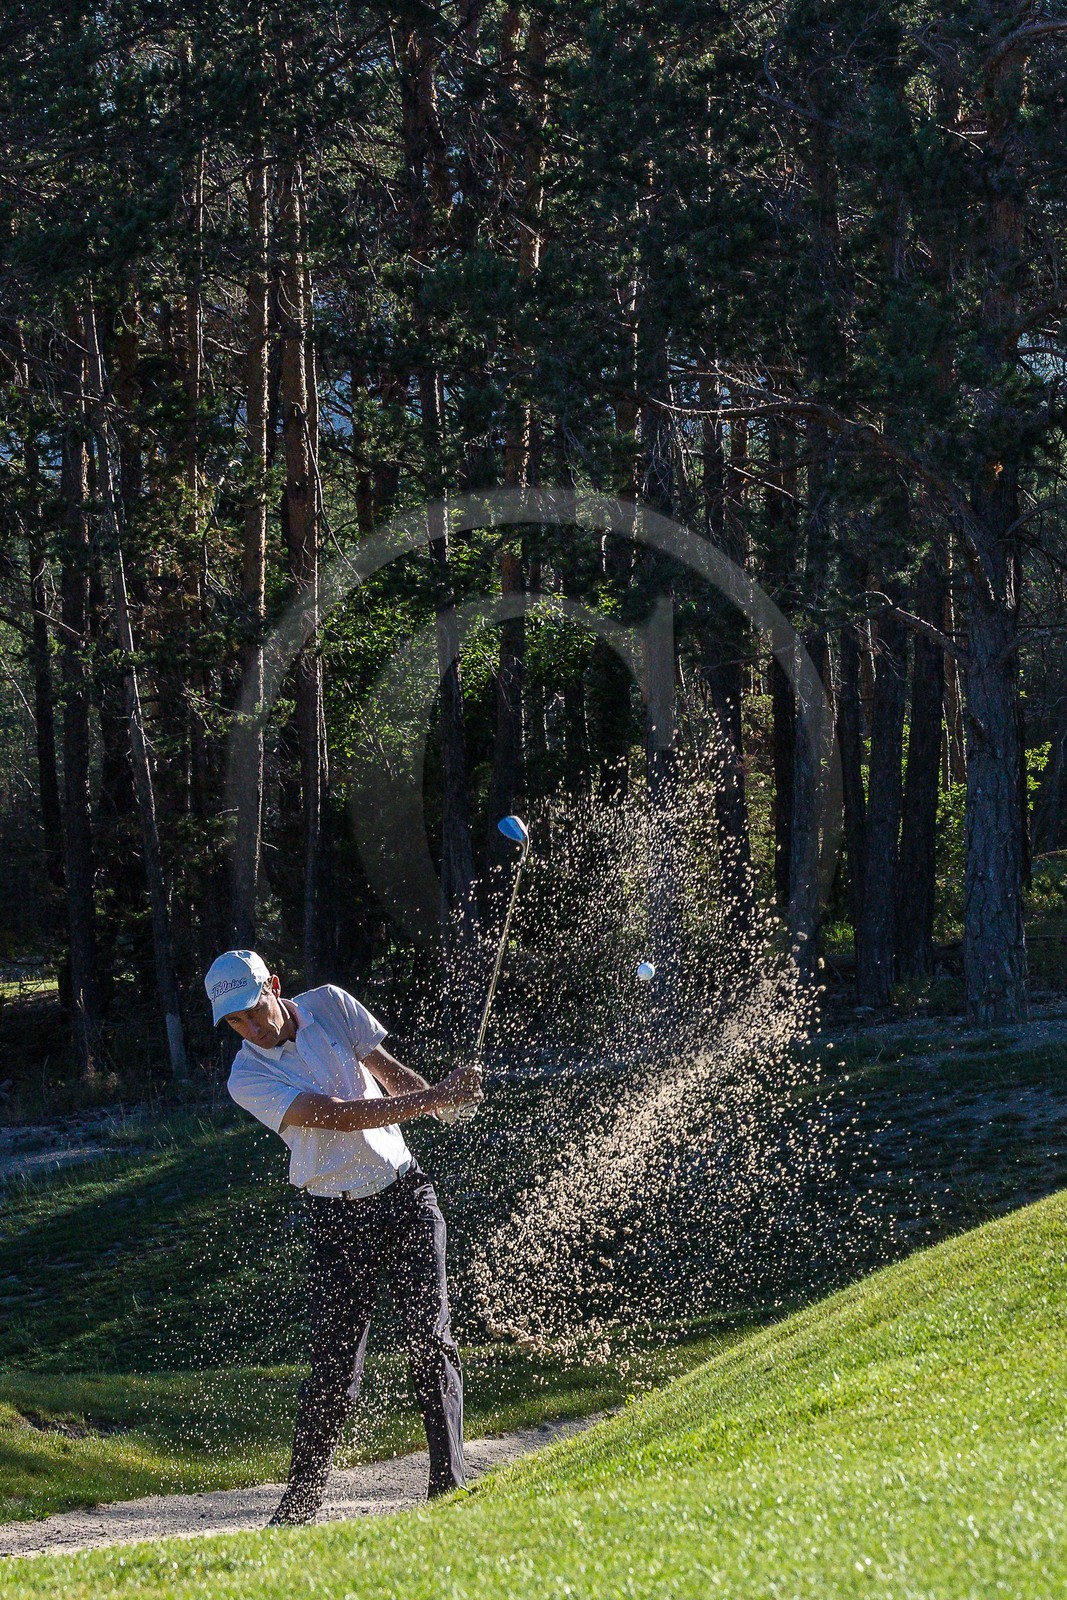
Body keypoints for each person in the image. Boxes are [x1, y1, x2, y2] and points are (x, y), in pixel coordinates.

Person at [203, 948, 483, 1525]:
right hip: (337, 1219)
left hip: (406, 1195)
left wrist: (444, 1103)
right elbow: (337, 1114)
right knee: (334, 1369)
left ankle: (447, 1486)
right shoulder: (246, 1076)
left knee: (429, 1340)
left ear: (274, 985)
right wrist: (435, 1098)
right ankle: (297, 1509)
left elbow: (387, 1072)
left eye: (254, 1010)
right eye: (236, 1021)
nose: (251, 1027)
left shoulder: (330, 1003)